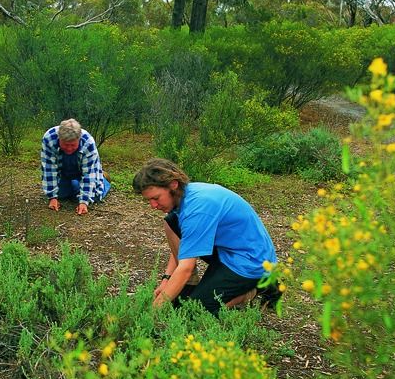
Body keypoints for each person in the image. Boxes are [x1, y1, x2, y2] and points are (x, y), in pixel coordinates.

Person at [133, 158, 280, 315]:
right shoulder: (184, 197)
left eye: (156, 198)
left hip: (251, 261)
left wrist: (152, 313)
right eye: (149, 200)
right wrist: (167, 279)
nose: (153, 206)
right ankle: (189, 284)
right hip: (228, 250)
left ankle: (256, 288)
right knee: (170, 222)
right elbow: (186, 242)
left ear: (173, 185)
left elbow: (186, 267)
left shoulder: (198, 208)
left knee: (194, 313)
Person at [40, 118, 111, 216]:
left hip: (84, 170)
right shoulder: (49, 138)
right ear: (59, 138)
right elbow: (49, 168)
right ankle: (74, 184)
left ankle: (103, 179)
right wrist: (52, 198)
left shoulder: (88, 142)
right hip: (62, 172)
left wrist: (84, 202)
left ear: (79, 138)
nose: (69, 149)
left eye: (73, 145)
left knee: (95, 196)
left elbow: (88, 175)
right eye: (65, 145)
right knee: (62, 195)